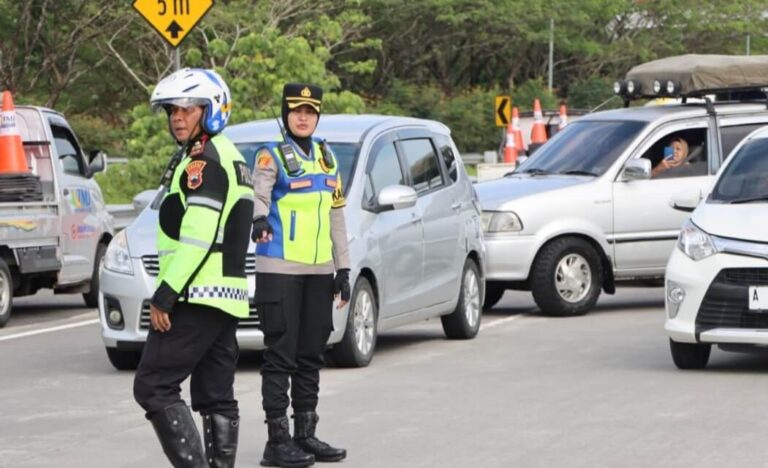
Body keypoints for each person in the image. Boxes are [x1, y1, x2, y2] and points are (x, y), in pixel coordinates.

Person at [133, 68, 254, 468]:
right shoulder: (228, 156)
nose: (177, 117)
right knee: (215, 394)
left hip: (196, 293)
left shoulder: (206, 162)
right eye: (172, 110)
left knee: (153, 385)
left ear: (212, 109)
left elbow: (199, 236)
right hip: (226, 296)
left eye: (188, 108)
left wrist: (165, 294)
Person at [251, 83, 350, 467]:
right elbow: (258, 194)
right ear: (286, 114)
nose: (303, 117)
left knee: (311, 353)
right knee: (281, 354)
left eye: (310, 110)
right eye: (296, 111)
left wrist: (343, 266)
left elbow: (336, 215)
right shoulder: (270, 156)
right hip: (279, 270)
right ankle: (276, 443)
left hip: (319, 271)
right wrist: (259, 219)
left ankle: (305, 435)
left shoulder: (327, 157)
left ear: (318, 115)